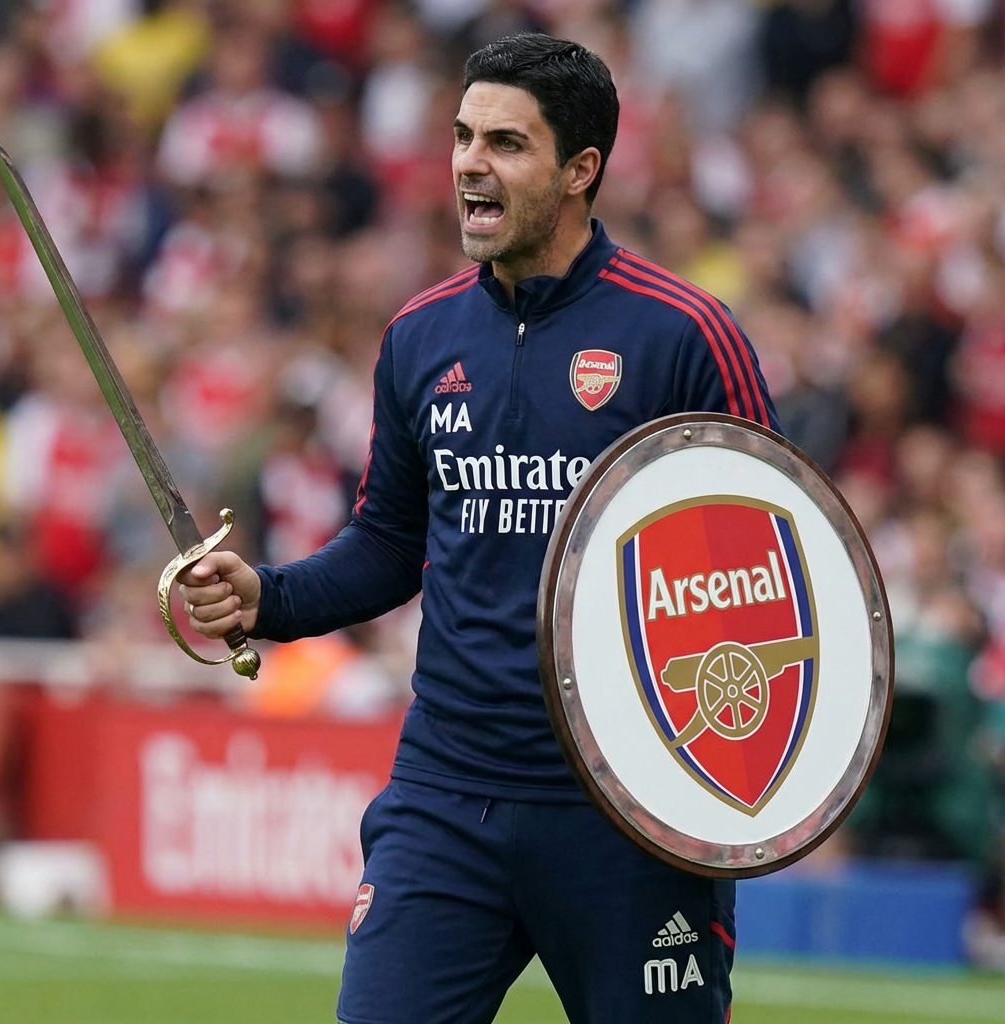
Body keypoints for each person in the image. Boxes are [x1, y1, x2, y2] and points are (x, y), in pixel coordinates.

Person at [179, 32, 779, 1024]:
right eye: (462, 137)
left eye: (505, 142)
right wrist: (266, 598)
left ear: (581, 168)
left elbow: (775, 572)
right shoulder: (419, 337)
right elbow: (388, 543)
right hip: (446, 791)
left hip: (631, 814)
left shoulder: (684, 336)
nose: (468, 163)